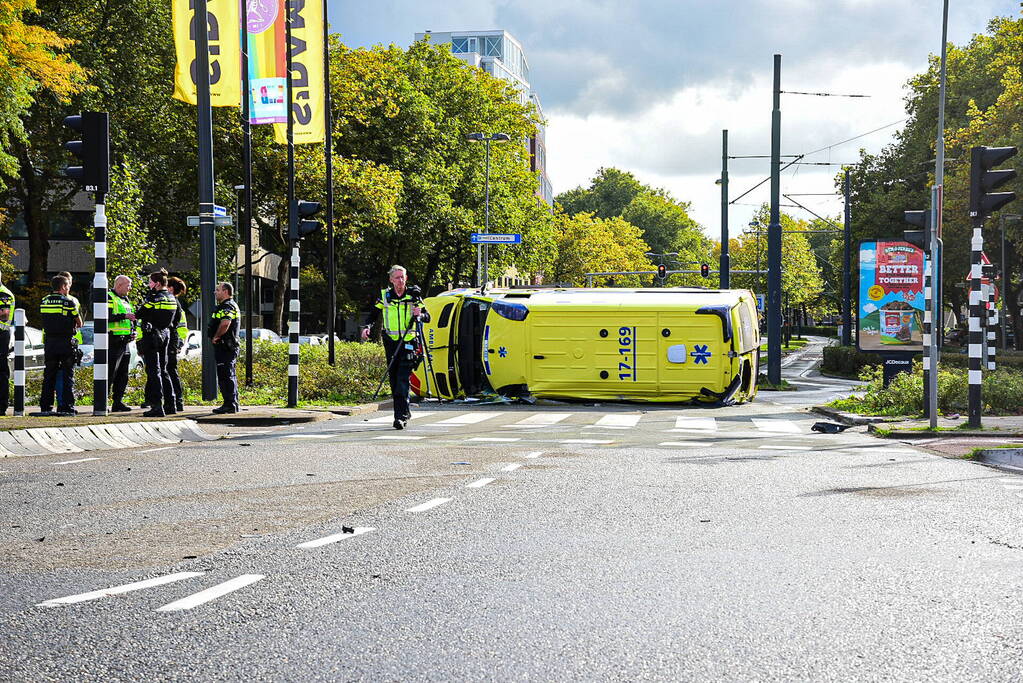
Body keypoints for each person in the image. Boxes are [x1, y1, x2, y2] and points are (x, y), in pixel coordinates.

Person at [361, 265, 429, 430]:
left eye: (403, 277)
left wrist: (419, 314)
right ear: (391, 280)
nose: (401, 280)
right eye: (397, 278)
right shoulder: (385, 296)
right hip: (391, 342)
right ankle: (404, 410)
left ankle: (400, 417)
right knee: (394, 380)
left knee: (402, 380)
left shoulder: (414, 296)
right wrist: (367, 326)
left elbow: (428, 317)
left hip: (409, 342)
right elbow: (373, 314)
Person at [136, 269, 178, 417]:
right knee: (164, 370)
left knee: (154, 372)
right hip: (165, 335)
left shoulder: (154, 297)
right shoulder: (172, 298)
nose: (149, 285)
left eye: (150, 282)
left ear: (158, 284)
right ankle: (171, 404)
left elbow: (140, 313)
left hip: (152, 335)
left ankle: (157, 406)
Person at [39, 274, 82, 416]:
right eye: (68, 286)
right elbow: (79, 322)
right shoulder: (69, 302)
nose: (69, 288)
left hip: (50, 342)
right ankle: (66, 406)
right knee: (67, 374)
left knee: (49, 375)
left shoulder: (44, 301)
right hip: (65, 342)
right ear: (63, 286)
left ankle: (46, 406)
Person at [207, 282, 240, 414]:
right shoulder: (224, 306)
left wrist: (216, 336)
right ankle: (231, 403)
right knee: (227, 375)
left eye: (218, 290)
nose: (215, 292)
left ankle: (230, 404)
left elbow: (225, 323)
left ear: (225, 291)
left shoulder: (227, 306)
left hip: (226, 346)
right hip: (225, 346)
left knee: (226, 375)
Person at [107, 275, 137, 412]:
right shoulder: (108, 297)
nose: (130, 288)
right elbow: (105, 316)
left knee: (123, 374)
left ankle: (118, 402)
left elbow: (132, 318)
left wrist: (133, 331)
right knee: (110, 372)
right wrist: (124, 316)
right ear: (119, 285)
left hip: (125, 341)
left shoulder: (125, 299)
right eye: (128, 285)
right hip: (113, 340)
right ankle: (103, 401)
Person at [166, 276, 188, 412]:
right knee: (170, 371)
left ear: (171, 288)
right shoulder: (176, 303)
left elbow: (180, 328)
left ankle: (177, 401)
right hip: (173, 342)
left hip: (171, 343)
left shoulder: (173, 303)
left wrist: (178, 344)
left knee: (170, 371)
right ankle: (177, 401)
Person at [0, 272, 14, 415]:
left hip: (1, 335)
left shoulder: (4, 294)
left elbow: (4, 315)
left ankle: (1, 406)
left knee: (1, 372)